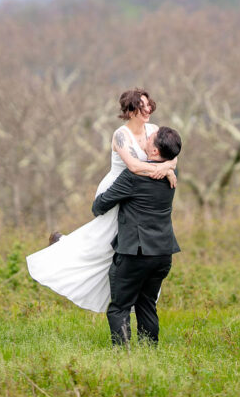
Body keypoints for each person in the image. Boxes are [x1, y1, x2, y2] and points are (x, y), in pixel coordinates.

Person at [26, 88, 177, 312]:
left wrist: (167, 167)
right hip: (119, 189)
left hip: (140, 192)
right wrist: (163, 169)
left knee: (132, 245)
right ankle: (63, 246)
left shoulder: (154, 130)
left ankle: (131, 295)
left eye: (149, 104)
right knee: (105, 243)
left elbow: (172, 154)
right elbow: (134, 167)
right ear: (131, 110)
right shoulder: (120, 135)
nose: (148, 110)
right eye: (142, 106)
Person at [92, 125, 182, 346]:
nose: (145, 138)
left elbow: (100, 206)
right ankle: (149, 352)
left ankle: (124, 357)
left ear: (154, 152)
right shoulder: (172, 174)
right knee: (147, 304)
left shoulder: (132, 177)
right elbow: (172, 162)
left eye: (150, 138)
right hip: (162, 253)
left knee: (120, 307)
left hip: (135, 252)